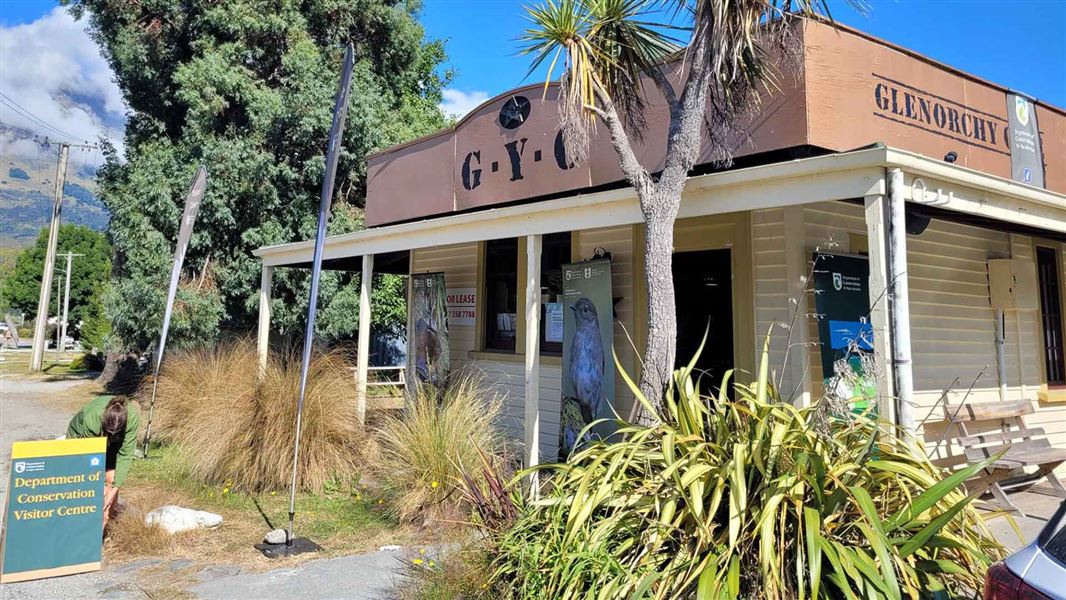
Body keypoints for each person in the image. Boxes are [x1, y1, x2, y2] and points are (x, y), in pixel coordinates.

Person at [67, 395, 140, 531]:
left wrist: (115, 488)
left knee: (111, 477)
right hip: (81, 438)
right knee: (84, 480)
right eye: (109, 431)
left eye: (115, 432)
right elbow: (89, 458)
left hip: (114, 440)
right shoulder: (92, 419)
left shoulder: (132, 419)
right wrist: (97, 484)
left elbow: (125, 456)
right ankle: (81, 519)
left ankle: (105, 522)